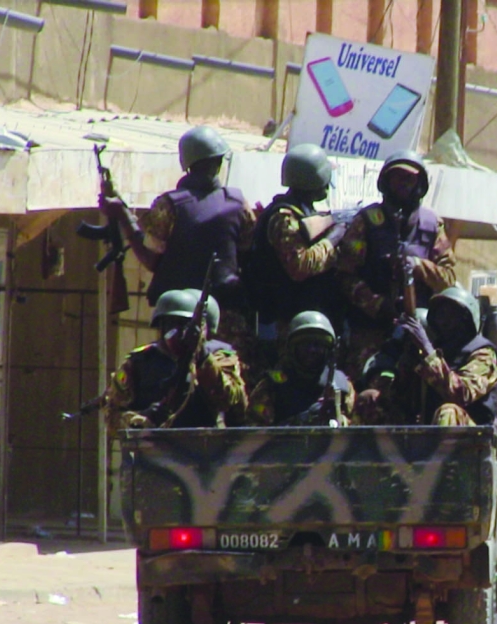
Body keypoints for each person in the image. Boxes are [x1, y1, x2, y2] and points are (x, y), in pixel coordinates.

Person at [98, 125, 257, 318]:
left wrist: (123, 216)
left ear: (186, 163)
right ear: (219, 162)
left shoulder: (169, 205)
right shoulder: (238, 203)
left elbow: (150, 258)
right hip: (227, 315)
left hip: (180, 317)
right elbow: (248, 253)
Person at [336, 150, 456, 376]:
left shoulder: (431, 225)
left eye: (409, 178)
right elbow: (344, 275)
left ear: (419, 184)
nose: (403, 183)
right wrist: (376, 304)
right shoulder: (366, 221)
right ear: (386, 182)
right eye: (397, 177)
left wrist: (417, 266)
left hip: (419, 332)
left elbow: (448, 278)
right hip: (370, 330)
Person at [103, 289, 248, 434]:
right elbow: (113, 417)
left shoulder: (218, 357)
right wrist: (139, 419)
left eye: (184, 324)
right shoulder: (139, 362)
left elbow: (231, 401)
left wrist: (202, 357)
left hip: (206, 443)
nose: (176, 332)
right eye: (170, 324)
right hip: (154, 446)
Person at [249, 143, 348, 341]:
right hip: (284, 322)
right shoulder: (283, 217)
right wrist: (334, 238)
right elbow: (300, 266)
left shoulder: (302, 211)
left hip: (300, 314)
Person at [397, 286, 497, 426]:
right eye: (440, 314)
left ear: (466, 319)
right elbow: (402, 399)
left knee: (449, 411)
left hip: (472, 434)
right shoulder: (435, 350)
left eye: (451, 314)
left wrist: (427, 350)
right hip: (428, 431)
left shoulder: (483, 354)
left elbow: (461, 394)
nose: (444, 320)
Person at [247, 311, 354, 427]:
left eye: (318, 345)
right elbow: (255, 431)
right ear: (292, 349)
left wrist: (339, 420)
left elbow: (358, 430)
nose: (312, 350)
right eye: (305, 345)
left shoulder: (342, 386)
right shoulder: (271, 385)